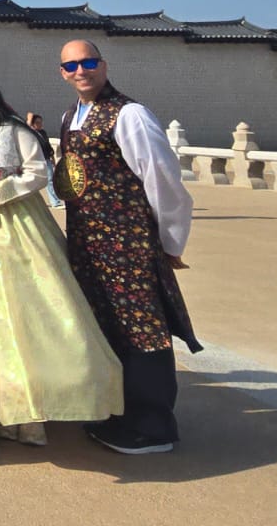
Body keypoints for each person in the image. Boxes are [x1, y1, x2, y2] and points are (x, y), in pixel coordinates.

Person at [0, 54, 121, 445]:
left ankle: (40, 405)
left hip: (16, 232)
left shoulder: (11, 128)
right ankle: (4, 409)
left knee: (28, 316)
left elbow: (37, 173)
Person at [56, 39, 199, 455]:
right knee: (107, 327)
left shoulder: (129, 114)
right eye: (71, 66)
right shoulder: (72, 115)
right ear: (62, 73)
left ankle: (152, 426)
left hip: (128, 244)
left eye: (88, 62)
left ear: (103, 64)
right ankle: (121, 412)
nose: (81, 71)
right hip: (89, 246)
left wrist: (170, 241)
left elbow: (162, 179)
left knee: (143, 331)